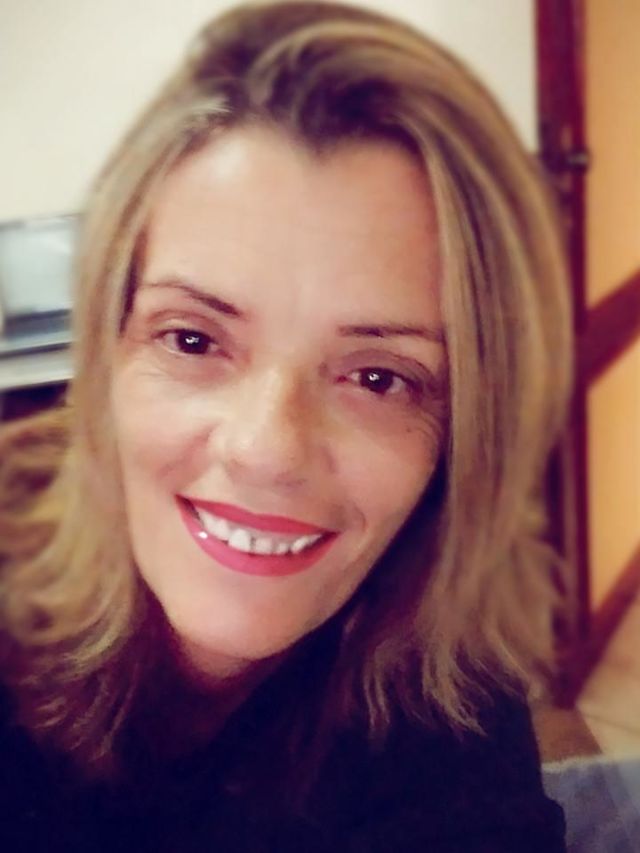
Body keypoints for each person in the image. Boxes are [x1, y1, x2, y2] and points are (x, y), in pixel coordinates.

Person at [0, 2, 571, 850]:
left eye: (378, 378)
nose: (267, 448)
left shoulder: (452, 709)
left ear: (462, 434)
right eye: (192, 339)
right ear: (105, 352)